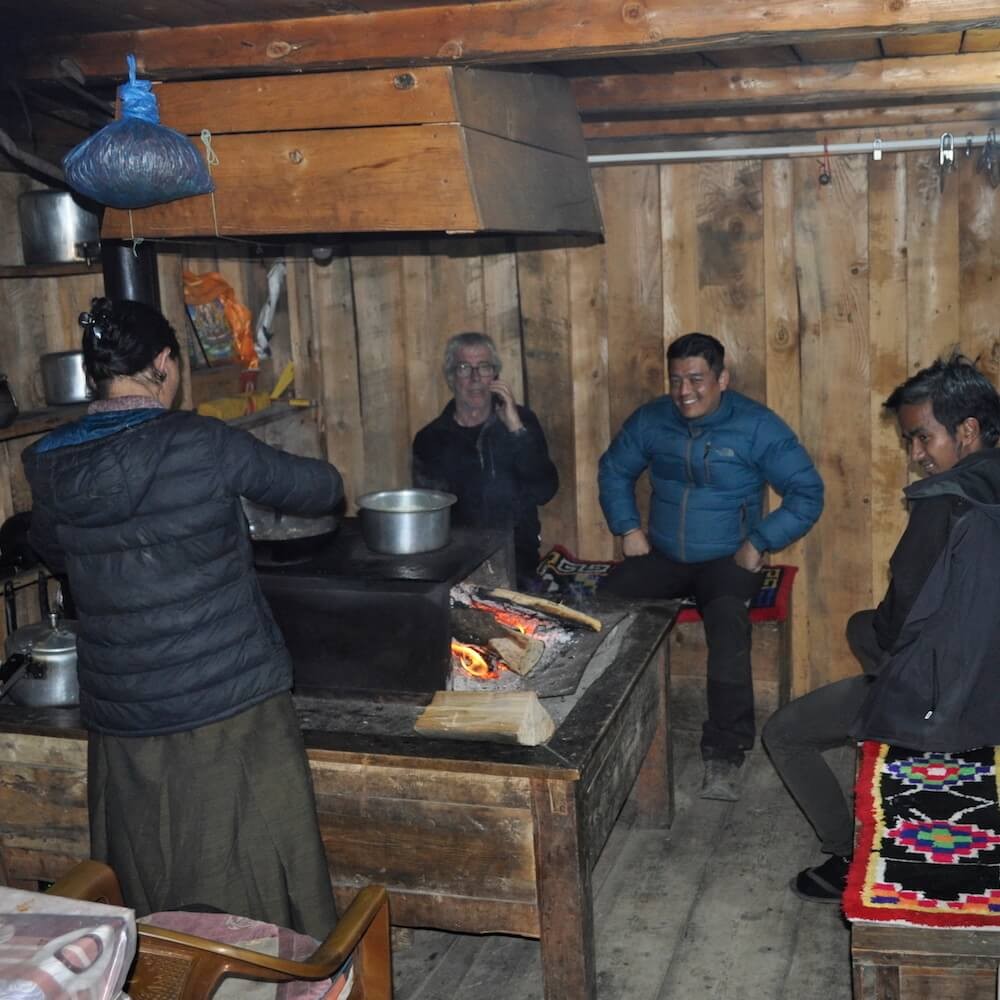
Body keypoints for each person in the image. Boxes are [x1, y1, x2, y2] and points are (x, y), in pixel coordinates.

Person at [22, 297, 343, 939]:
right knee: (250, 859)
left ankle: (163, 970)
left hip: (124, 708)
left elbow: (53, 548)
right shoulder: (200, 442)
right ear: (164, 364)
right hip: (227, 700)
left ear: (97, 373)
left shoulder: (51, 461)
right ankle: (265, 973)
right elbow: (322, 489)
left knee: (150, 864)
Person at [763, 355, 1000, 903]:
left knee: (785, 732)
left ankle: (849, 854)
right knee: (861, 627)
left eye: (923, 439)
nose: (916, 457)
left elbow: (899, 625)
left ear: (967, 431)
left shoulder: (944, 504)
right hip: (988, 678)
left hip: (945, 705)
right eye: (909, 443)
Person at [598, 332, 823, 801]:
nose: (685, 392)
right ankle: (603, 732)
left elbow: (807, 493)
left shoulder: (757, 426)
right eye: (677, 379)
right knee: (603, 606)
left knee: (728, 629)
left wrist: (760, 540)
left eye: (696, 379)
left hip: (727, 557)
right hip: (660, 553)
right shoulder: (653, 419)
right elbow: (615, 469)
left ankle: (724, 754)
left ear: (722, 378)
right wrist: (627, 528)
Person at [412, 331, 558, 588]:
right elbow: (428, 515)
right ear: (451, 377)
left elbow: (545, 489)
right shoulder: (431, 438)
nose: (475, 378)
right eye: (464, 367)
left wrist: (516, 430)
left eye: (484, 367)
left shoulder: (522, 422)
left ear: (495, 376)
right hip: (456, 561)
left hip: (516, 556)